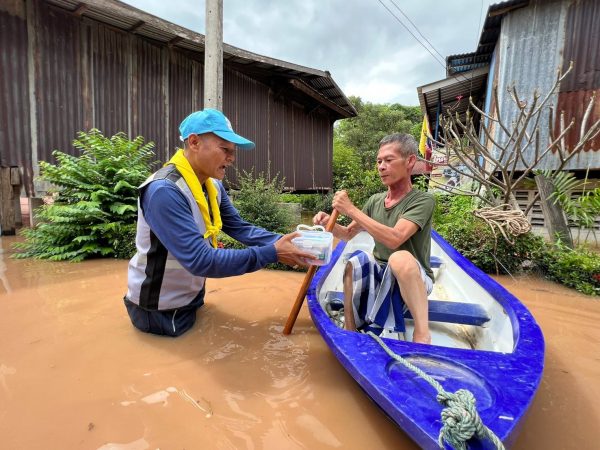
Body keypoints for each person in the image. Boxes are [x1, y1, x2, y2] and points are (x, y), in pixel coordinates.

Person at [124, 108, 316, 337]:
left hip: (192, 294)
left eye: (233, 152)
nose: (232, 159)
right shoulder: (164, 191)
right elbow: (200, 260)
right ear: (194, 142)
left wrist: (293, 245)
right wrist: (273, 253)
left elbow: (239, 227)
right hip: (159, 309)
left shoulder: (213, 186)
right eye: (225, 149)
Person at [313, 133, 435, 344]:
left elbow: (395, 239)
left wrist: (350, 209)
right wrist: (329, 226)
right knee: (354, 261)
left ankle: (422, 334)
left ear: (410, 161)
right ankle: (350, 331)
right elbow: (349, 234)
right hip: (379, 275)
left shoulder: (423, 200)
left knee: (400, 258)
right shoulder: (375, 201)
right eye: (379, 161)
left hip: (412, 279)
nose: (381, 166)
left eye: (388, 160)